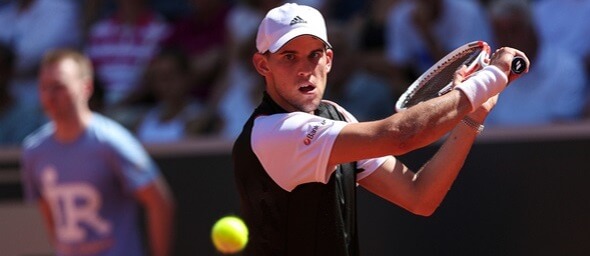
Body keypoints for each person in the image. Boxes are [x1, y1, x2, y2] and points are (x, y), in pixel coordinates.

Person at [232, 3, 529, 255]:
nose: (305, 68)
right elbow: (400, 136)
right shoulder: (274, 133)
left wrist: (472, 118)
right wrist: (494, 75)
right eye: (289, 56)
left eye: (314, 54)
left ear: (329, 59)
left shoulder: (334, 116)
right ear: (262, 65)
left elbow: (419, 196)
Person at [20, 49, 175, 256]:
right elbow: (47, 215)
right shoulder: (33, 151)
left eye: (59, 87)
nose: (50, 96)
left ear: (86, 87)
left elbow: (159, 203)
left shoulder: (113, 143)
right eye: (44, 87)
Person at [484, 0, 586, 126]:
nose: (508, 39)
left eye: (514, 30)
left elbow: (563, 135)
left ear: (530, 29)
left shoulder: (567, 70)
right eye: (500, 33)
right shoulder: (486, 75)